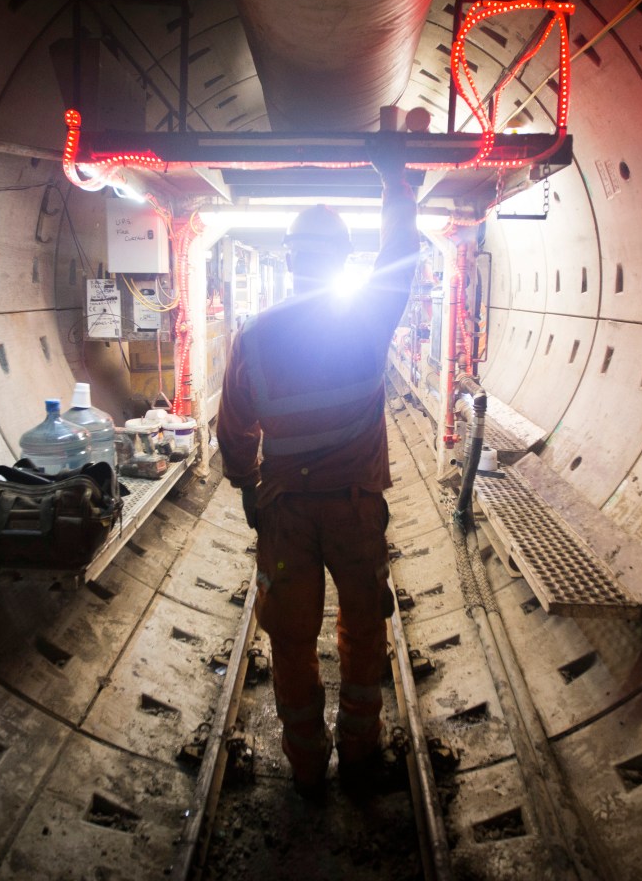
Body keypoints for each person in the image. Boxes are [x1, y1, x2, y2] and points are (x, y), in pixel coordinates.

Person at [216, 151, 419, 798]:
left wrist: (248, 485)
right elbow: (404, 253)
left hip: (289, 517)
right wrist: (398, 184)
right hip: (356, 509)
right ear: (345, 259)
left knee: (291, 637)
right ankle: (361, 753)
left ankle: (307, 766)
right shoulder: (366, 318)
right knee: (363, 629)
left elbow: (234, 428)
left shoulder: (256, 335)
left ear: (291, 258)